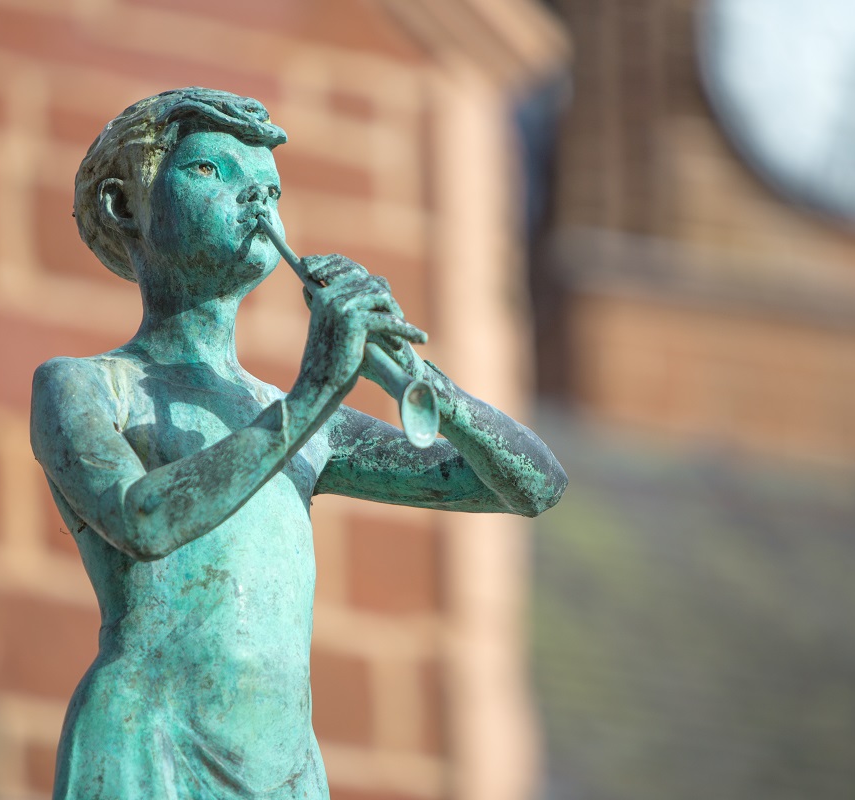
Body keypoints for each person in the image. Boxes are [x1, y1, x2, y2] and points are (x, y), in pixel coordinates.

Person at [30, 87, 567, 799]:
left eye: (270, 188)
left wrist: (416, 380)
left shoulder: (309, 423)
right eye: (213, 172)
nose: (255, 200)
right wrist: (314, 392)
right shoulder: (88, 387)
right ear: (125, 207)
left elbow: (533, 486)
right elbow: (144, 518)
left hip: (284, 768)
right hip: (150, 739)